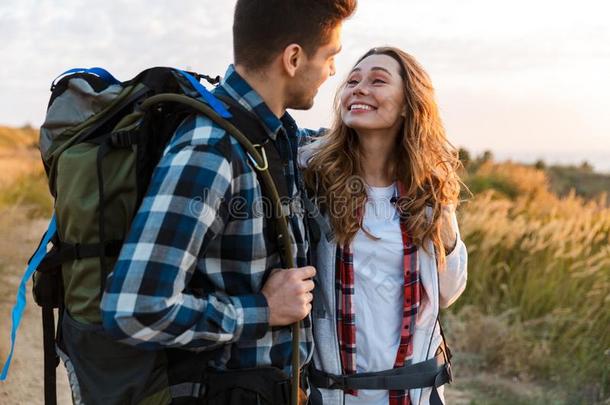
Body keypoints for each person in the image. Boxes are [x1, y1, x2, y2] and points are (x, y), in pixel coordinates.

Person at [100, 1, 357, 404]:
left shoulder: (277, 137)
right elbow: (135, 309)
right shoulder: (211, 150)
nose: (332, 72)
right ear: (293, 58)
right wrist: (262, 310)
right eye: (330, 57)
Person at [300, 47, 468, 405]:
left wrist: (442, 211)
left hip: (413, 392)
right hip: (334, 394)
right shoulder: (310, 174)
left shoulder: (428, 186)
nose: (359, 88)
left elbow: (447, 292)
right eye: (352, 81)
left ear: (409, 103)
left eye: (378, 81)